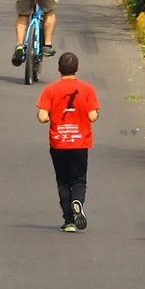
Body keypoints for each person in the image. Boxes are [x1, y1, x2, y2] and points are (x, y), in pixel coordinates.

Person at [38, 52, 101, 232]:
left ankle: (69, 221)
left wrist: (51, 114)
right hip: (80, 142)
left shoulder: (50, 90)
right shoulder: (87, 89)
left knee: (63, 181)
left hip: (58, 142)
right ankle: (77, 202)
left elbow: (42, 117)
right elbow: (92, 115)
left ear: (58, 69)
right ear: (77, 69)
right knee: (79, 180)